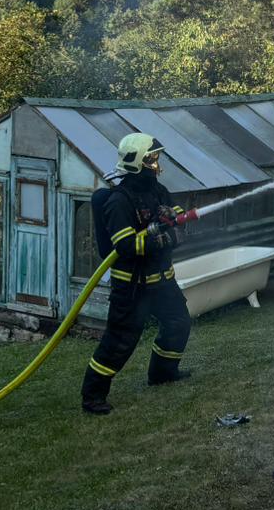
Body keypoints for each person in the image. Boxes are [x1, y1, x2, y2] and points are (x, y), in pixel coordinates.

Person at [81, 133, 193, 415]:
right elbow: (127, 246)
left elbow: (177, 220)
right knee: (120, 342)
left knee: (178, 323)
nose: (157, 164)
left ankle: (163, 373)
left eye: (156, 158)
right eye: (152, 159)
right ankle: (93, 395)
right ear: (137, 162)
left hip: (163, 282)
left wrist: (173, 220)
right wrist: (163, 238)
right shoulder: (119, 201)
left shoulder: (158, 190)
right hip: (132, 288)